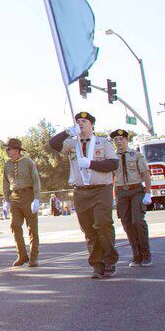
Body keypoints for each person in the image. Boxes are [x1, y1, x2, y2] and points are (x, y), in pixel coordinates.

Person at [49, 112, 120, 279]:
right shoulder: (71, 144)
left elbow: (113, 164)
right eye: (78, 121)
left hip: (101, 188)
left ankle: (110, 260)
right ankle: (97, 264)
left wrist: (91, 163)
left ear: (92, 125)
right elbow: (53, 143)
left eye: (84, 121)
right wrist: (67, 132)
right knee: (88, 228)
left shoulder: (103, 142)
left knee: (103, 224)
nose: (80, 124)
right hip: (81, 191)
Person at [111, 129, 153, 267]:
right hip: (121, 192)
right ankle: (136, 256)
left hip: (136, 191)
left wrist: (148, 193)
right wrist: (113, 198)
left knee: (138, 221)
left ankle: (146, 254)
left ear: (126, 140)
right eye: (116, 139)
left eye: (121, 139)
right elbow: (111, 178)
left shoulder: (136, 155)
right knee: (127, 224)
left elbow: (146, 175)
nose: (118, 141)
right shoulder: (112, 157)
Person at [1, 138, 41, 267]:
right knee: (15, 225)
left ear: (17, 150)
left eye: (9, 149)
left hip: (28, 195)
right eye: (7, 149)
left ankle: (33, 257)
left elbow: (36, 180)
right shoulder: (7, 165)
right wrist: (6, 200)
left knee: (32, 228)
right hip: (15, 198)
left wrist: (36, 198)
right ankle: (22, 255)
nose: (7, 151)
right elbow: (5, 183)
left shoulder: (28, 162)